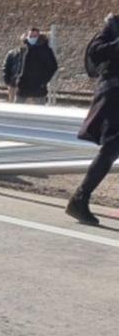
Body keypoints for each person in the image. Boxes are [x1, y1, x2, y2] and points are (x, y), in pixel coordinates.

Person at [67, 13, 119, 226]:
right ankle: (80, 198)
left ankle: (80, 198)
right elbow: (95, 53)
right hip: (114, 95)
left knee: (112, 149)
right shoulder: (113, 25)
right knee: (111, 147)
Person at [5, 28, 59, 105]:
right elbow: (10, 65)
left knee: (39, 111)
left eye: (35, 36)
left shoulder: (45, 50)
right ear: (27, 36)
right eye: (31, 36)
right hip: (22, 86)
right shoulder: (21, 50)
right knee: (17, 111)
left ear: (39, 36)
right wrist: (11, 81)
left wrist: (44, 80)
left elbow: (53, 66)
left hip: (39, 87)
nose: (33, 38)